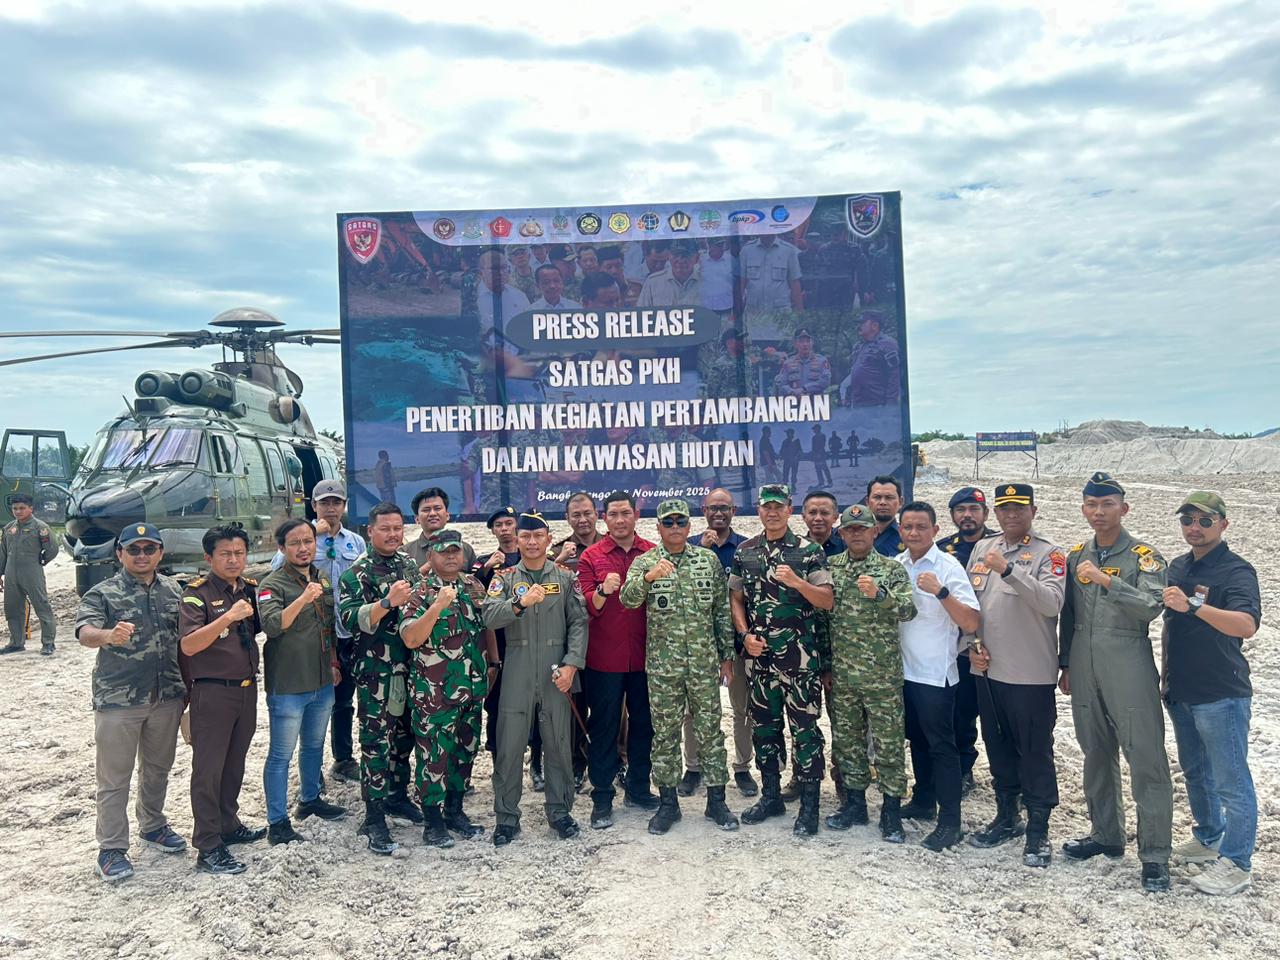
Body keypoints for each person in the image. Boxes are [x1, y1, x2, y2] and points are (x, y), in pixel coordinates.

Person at [1059, 472, 1173, 892]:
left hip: (1128, 660)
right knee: (1095, 751)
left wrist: (1109, 581)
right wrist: (1066, 664)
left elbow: (1152, 606)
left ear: (1124, 508)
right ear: (1083, 509)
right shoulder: (1076, 556)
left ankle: (1155, 854)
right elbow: (1068, 614)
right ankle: (1106, 834)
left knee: (1145, 756)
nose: (1099, 512)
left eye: (1107, 504)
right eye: (1091, 505)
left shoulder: (1144, 556)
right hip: (1083, 662)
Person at [1161, 491, 1261, 896]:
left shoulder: (1237, 571)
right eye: (1187, 520)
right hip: (1181, 689)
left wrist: (1193, 607)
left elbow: (1245, 625)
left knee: (1231, 782)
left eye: (1204, 520)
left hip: (1221, 693)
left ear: (1223, 523)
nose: (1195, 528)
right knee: (1196, 773)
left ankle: (1237, 862)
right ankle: (1208, 837)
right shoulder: (1178, 566)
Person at [75, 523, 187, 882]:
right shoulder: (103, 593)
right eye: (134, 549)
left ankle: (152, 825)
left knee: (158, 768)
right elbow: (84, 632)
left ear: (160, 553)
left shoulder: (175, 590)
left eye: (149, 548)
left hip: (166, 695)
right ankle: (110, 848)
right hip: (119, 699)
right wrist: (108, 635)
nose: (142, 555)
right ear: (119, 554)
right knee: (114, 778)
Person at [619, 499, 739, 834]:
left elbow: (721, 612)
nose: (675, 528)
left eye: (680, 522)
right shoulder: (646, 561)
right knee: (665, 734)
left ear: (689, 526)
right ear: (658, 527)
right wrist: (648, 578)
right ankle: (668, 804)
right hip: (663, 667)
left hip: (703, 664)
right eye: (668, 523)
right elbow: (627, 600)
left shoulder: (707, 560)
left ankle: (717, 801)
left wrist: (727, 657)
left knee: (711, 732)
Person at [963, 484, 1066, 868]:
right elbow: (970, 603)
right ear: (996, 512)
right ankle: (1007, 815)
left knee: (1034, 752)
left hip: (1029, 674)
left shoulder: (1049, 554)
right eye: (1004, 508)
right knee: (998, 746)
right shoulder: (982, 548)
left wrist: (1009, 571)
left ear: (1033, 511)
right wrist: (971, 644)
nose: (1011, 515)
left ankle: (1039, 828)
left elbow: (1051, 603)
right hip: (987, 669)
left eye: (1019, 508)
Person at [730, 483, 834, 836]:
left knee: (805, 730)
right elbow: (736, 598)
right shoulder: (745, 551)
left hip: (799, 661)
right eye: (766, 506)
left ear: (789, 509)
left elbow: (827, 600)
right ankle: (771, 796)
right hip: (760, 660)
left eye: (778, 506)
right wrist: (744, 635)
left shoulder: (809, 551)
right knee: (765, 729)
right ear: (758, 510)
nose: (772, 512)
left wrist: (798, 583)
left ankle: (809, 806)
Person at [482, 512, 588, 846]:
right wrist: (519, 603)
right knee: (510, 744)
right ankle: (506, 817)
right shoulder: (505, 578)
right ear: (517, 539)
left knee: (558, 742)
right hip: (517, 666)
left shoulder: (566, 577)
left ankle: (560, 812)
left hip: (556, 668)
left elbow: (579, 622)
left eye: (538, 536)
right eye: (525, 536)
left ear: (548, 539)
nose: (531, 542)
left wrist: (572, 665)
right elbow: (489, 617)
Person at [823, 504, 916, 841]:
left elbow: (908, 610)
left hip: (882, 676)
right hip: (843, 676)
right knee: (848, 743)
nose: (857, 534)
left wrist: (880, 595)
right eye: (850, 529)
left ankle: (891, 811)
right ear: (842, 534)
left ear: (875, 531)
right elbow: (821, 619)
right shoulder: (831, 568)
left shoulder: (891, 569)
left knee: (889, 745)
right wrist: (825, 665)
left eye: (863, 528)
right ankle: (855, 804)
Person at [338, 502, 426, 856]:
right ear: (370, 531)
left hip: (410, 666)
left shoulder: (408, 564)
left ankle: (397, 796)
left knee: (404, 737)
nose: (392, 534)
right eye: (385, 529)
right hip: (377, 671)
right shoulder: (356, 573)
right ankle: (373, 816)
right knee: (376, 742)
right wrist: (387, 603)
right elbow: (350, 619)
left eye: (397, 528)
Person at [179, 526, 266, 875]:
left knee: (234, 764)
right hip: (213, 692)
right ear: (209, 557)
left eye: (239, 553)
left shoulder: (249, 589)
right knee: (208, 770)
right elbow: (189, 645)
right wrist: (228, 617)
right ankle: (208, 844)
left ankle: (228, 824)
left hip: (246, 689)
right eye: (225, 554)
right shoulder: (196, 594)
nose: (234, 560)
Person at [400, 530, 497, 847]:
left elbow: (487, 626)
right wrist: (437, 606)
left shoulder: (474, 586)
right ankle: (432, 821)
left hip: (472, 687)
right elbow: (411, 638)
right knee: (434, 757)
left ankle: (455, 811)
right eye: (444, 552)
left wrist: (494, 663)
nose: (452, 557)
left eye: (456, 551)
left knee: (464, 752)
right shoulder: (420, 591)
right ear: (431, 557)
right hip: (434, 694)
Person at [894, 502, 981, 851]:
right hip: (904, 672)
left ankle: (950, 822)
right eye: (908, 527)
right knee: (917, 740)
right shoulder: (897, 565)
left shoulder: (948, 566)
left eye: (921, 527)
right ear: (900, 530)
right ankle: (923, 799)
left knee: (943, 747)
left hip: (935, 674)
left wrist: (941, 591)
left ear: (935, 530)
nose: (914, 533)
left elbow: (971, 621)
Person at [257, 519, 347, 845]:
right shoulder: (271, 584)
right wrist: (303, 599)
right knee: (280, 755)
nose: (304, 548)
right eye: (295, 543)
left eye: (308, 541)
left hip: (321, 679)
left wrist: (333, 662)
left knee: (313, 746)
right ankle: (277, 821)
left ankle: (310, 800)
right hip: (289, 684)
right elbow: (272, 626)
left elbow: (327, 627)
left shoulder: (320, 577)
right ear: (282, 548)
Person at [270, 479, 367, 783]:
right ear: (314, 506)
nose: (330, 508)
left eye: (336, 502)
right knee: (312, 702)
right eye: (324, 502)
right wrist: (314, 532)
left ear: (344, 505)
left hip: (348, 632)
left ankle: (343, 759)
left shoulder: (356, 542)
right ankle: (312, 768)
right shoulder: (303, 538)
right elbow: (276, 570)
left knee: (343, 701)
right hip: (313, 634)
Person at [575, 492, 658, 829]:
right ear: (604, 518)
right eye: (614, 514)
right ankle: (602, 797)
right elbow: (586, 606)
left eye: (626, 513)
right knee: (604, 728)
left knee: (644, 725)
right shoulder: (591, 556)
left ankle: (638, 788)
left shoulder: (652, 553)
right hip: (604, 659)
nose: (620, 520)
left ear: (636, 515)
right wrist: (603, 591)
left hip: (645, 658)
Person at [681, 488, 755, 797]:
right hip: (698, 644)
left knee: (742, 708)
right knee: (692, 711)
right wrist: (701, 550)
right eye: (713, 508)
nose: (718, 513)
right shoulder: (687, 546)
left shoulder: (746, 548)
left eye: (724, 508)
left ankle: (742, 767)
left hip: (736, 643)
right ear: (704, 511)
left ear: (734, 511)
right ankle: (693, 767)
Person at [936, 486, 997, 797]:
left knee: (1000, 715)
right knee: (961, 713)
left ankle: (1009, 778)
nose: (967, 515)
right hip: (959, 646)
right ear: (952, 516)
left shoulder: (1000, 546)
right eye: (961, 510)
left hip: (999, 643)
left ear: (985, 513)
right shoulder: (943, 550)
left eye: (974, 509)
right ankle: (963, 769)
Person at [476, 506, 521, 758]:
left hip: (528, 634)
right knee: (496, 701)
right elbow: (471, 590)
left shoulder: (532, 555)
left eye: (508, 523)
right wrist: (486, 568)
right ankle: (497, 757)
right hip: (498, 640)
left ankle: (536, 760)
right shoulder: (484, 560)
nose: (504, 529)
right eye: (498, 525)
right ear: (493, 531)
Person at [0, 493, 58, 655]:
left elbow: (52, 549)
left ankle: (48, 643)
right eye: (15, 508)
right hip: (11, 573)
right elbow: (3, 552)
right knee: (12, 608)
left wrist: (41, 561)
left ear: (30, 508)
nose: (18, 511)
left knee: (42, 606)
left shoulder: (40, 527)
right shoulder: (9, 528)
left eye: (22, 508)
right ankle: (16, 642)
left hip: (32, 572)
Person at [406, 487, 478, 573]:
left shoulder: (466, 549)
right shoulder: (405, 552)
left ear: (447, 515)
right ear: (417, 519)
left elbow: (476, 579)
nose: (432, 513)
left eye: (437, 508)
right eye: (426, 510)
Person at [844, 311, 900, 405]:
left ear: (874, 325)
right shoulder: (858, 346)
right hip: (858, 404)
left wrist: (890, 405)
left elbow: (894, 375)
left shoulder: (887, 344)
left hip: (877, 405)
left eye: (862, 323)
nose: (858, 326)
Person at [636, 239, 701, 307]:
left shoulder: (706, 281)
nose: (680, 260)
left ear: (697, 258)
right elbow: (641, 311)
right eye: (676, 255)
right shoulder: (652, 282)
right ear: (669, 256)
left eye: (686, 255)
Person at [551, 492, 603, 571]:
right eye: (576, 515)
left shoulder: (612, 546)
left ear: (596, 514)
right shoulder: (558, 551)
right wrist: (559, 561)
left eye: (587, 513)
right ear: (568, 518)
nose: (583, 520)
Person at [773, 330, 831, 398]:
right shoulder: (788, 363)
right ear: (795, 344)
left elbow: (825, 381)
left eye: (808, 341)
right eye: (801, 341)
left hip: (815, 402)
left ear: (812, 343)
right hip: (794, 401)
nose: (805, 344)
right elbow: (782, 384)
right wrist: (792, 391)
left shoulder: (822, 361)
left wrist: (804, 389)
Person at [867, 475, 906, 557]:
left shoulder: (907, 536)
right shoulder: (851, 533)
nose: (883, 502)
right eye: (877, 497)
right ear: (867, 502)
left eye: (889, 497)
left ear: (901, 502)